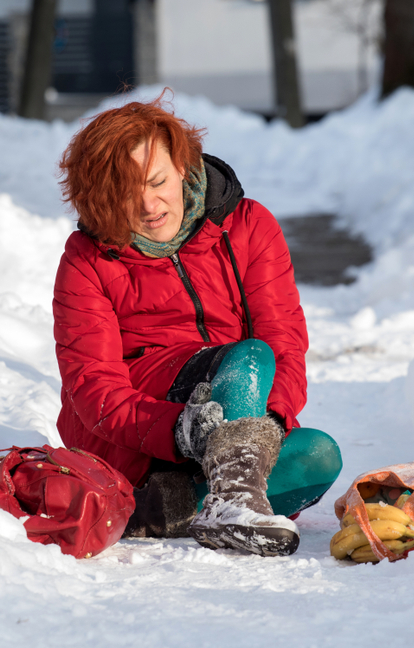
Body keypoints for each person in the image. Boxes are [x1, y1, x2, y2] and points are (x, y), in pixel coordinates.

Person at [54, 97, 342, 557]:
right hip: (137, 441)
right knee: (249, 355)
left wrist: (257, 432)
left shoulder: (250, 227)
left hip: (235, 410)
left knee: (319, 455)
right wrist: (183, 430)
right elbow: (94, 391)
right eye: (127, 191)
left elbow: (285, 342)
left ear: (183, 165)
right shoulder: (86, 261)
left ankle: (167, 509)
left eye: (157, 181)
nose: (149, 204)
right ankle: (229, 501)